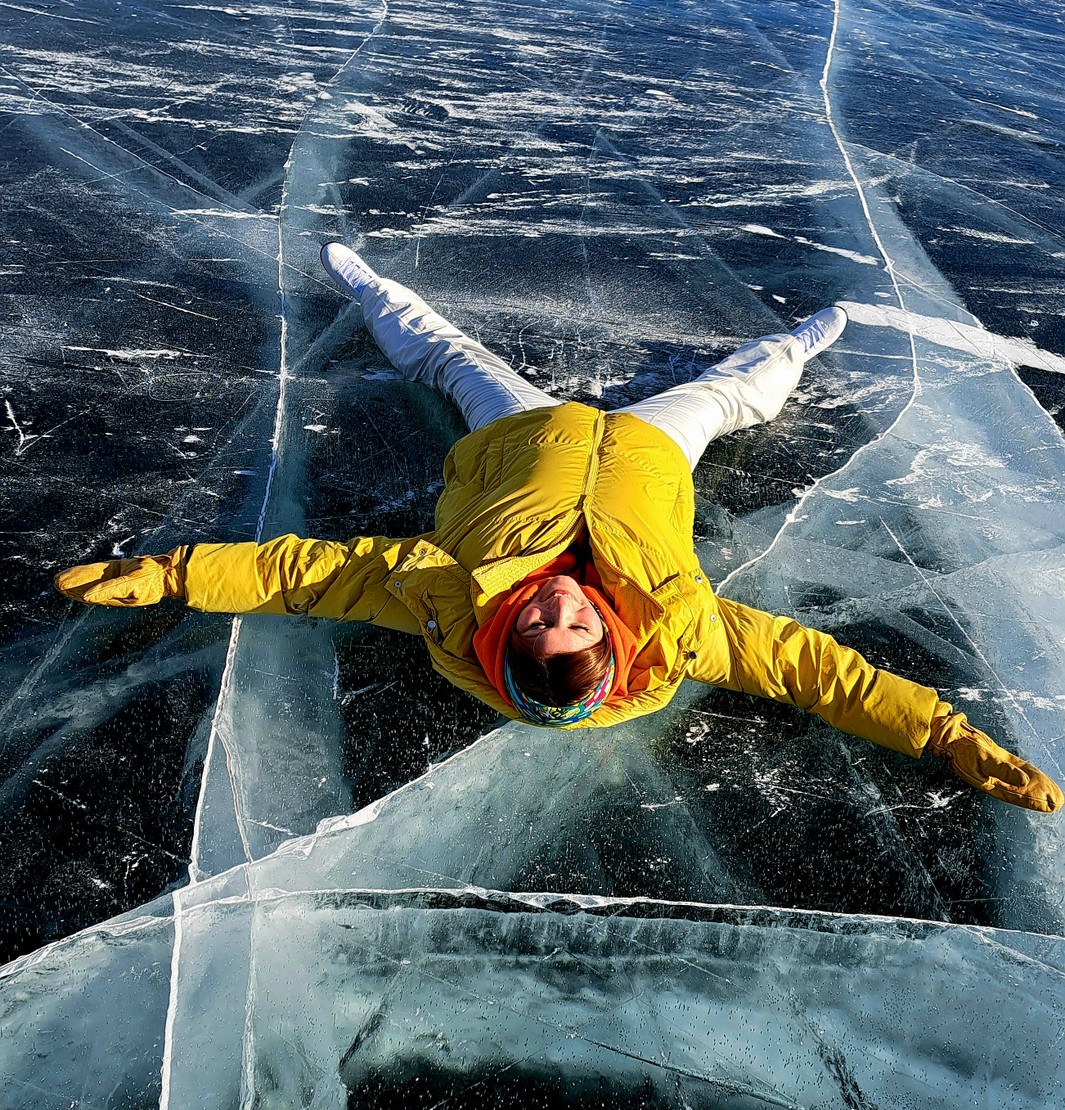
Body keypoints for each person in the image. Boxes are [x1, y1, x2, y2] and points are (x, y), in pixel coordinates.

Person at [55, 244, 1062, 814]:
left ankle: (371, 288)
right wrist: (946, 734)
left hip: (521, 438)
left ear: (506, 645)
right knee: (738, 395)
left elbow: (307, 574)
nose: (555, 604)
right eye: (576, 626)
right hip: (648, 452)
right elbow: (818, 673)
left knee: (448, 358)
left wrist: (176, 573)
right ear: (609, 647)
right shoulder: (681, 633)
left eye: (536, 626)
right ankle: (809, 334)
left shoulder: (443, 598)